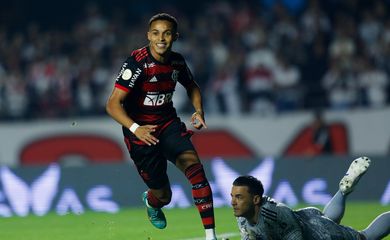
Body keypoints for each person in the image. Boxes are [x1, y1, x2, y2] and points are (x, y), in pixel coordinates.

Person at [106, 13, 217, 240]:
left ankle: (210, 236)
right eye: (156, 33)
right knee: (164, 196)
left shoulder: (177, 61)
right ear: (148, 36)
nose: (161, 38)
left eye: (167, 33)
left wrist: (199, 110)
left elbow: (192, 85)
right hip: (141, 134)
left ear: (175, 36)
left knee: (197, 172)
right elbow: (112, 104)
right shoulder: (137, 63)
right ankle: (152, 201)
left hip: (168, 125)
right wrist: (136, 128)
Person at [230, 156, 390, 240]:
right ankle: (342, 192)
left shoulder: (275, 214)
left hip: (320, 235)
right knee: (328, 220)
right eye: (232, 197)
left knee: (364, 237)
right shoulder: (243, 215)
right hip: (309, 218)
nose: (233, 202)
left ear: (256, 199)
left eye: (238, 197)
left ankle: (343, 193)